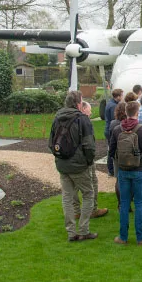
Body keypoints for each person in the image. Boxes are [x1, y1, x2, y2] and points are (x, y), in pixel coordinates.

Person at [51, 90, 98, 242]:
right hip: (79, 165)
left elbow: (51, 143)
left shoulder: (57, 118)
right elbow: (89, 145)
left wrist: (60, 157)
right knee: (88, 194)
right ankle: (84, 230)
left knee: (67, 197)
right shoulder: (82, 119)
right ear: (78, 104)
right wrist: (88, 161)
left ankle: (71, 232)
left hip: (62, 164)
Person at [109, 101, 142, 245]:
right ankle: (140, 238)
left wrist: (120, 161)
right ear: (137, 112)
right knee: (139, 203)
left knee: (124, 203)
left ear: (125, 112)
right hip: (140, 170)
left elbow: (111, 151)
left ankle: (123, 237)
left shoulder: (117, 130)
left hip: (123, 170)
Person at [76, 102, 108, 219]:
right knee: (91, 183)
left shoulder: (70, 120)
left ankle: (76, 211)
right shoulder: (85, 122)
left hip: (71, 160)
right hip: (84, 160)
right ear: (83, 109)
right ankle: (93, 210)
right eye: (89, 110)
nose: (91, 113)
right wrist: (90, 160)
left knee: (73, 187)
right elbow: (89, 144)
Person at [104, 89, 124, 177]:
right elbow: (116, 119)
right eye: (121, 95)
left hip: (108, 129)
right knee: (112, 149)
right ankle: (111, 170)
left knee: (111, 148)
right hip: (111, 130)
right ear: (118, 96)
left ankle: (111, 169)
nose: (122, 97)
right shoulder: (113, 106)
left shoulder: (110, 103)